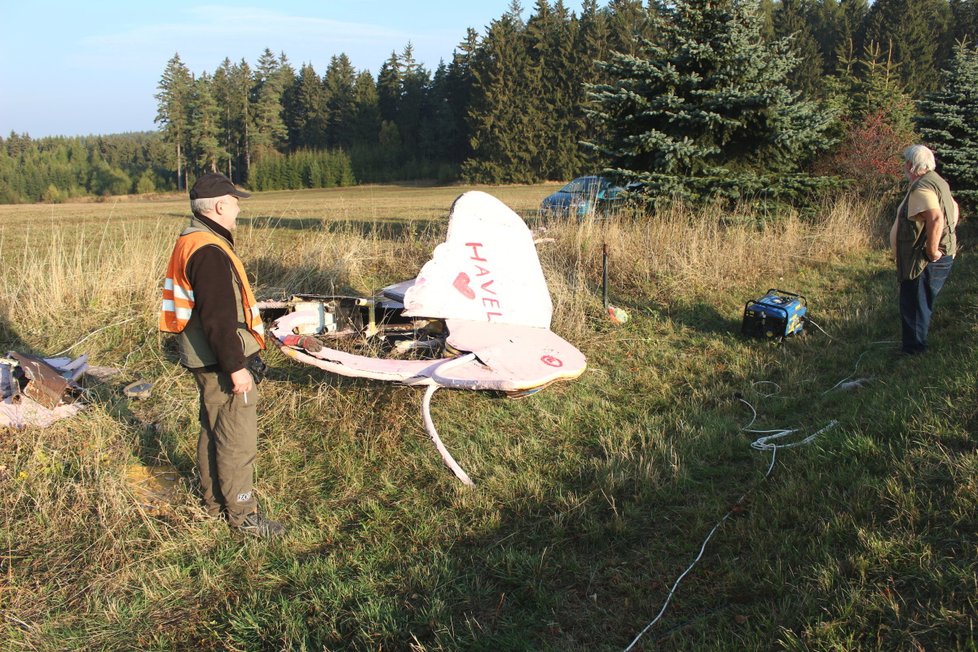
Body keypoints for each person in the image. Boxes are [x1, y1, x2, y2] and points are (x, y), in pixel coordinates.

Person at [159, 172, 285, 538]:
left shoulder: (194, 240)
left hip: (204, 356)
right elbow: (218, 319)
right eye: (234, 202)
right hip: (221, 360)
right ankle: (243, 516)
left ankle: (215, 503)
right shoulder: (209, 251)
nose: (238, 208)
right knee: (236, 437)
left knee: (212, 431)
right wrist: (236, 368)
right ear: (217, 206)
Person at [889, 145, 959, 355]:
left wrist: (931, 251)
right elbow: (954, 208)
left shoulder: (922, 187)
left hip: (923, 260)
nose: (904, 166)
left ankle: (914, 352)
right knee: (920, 302)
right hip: (940, 255)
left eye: (905, 162)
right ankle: (915, 346)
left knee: (915, 304)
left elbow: (936, 217)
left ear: (910, 165)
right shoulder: (937, 181)